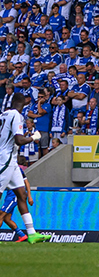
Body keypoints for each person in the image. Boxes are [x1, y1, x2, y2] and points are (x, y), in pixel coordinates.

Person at [0, 96, 45, 242]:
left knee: (22, 195)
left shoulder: (4, 114)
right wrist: (34, 137)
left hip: (11, 160)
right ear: (25, 101)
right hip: (6, 159)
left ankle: (31, 233)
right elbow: (19, 140)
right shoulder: (16, 115)